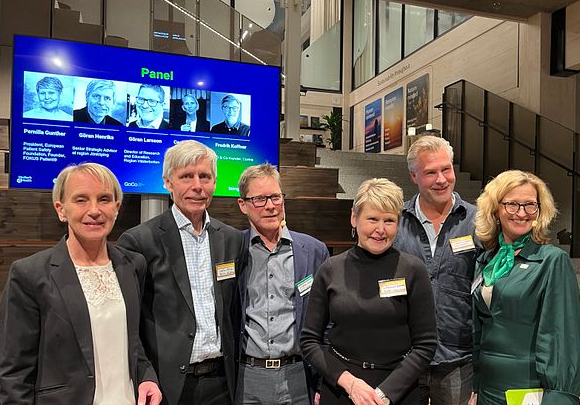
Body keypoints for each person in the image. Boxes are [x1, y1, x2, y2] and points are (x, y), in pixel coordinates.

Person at [0, 163, 161, 404]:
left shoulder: (133, 265)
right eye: (81, 200)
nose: (94, 210)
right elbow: (15, 373)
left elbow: (134, 341)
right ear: (61, 209)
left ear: (116, 208)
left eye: (104, 199)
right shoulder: (29, 274)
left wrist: (147, 377)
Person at [117, 140, 245, 404]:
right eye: (186, 176)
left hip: (223, 383)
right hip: (168, 384)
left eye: (205, 176)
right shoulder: (139, 241)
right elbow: (129, 324)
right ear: (168, 182)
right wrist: (145, 375)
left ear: (215, 182)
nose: (197, 185)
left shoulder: (232, 239)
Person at [301, 178, 437, 405]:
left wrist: (383, 394)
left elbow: (426, 344)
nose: (380, 230)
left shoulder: (413, 270)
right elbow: (309, 340)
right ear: (354, 218)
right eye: (372, 219)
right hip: (342, 390)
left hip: (399, 392)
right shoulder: (330, 269)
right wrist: (349, 383)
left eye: (389, 221)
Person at [469, 170, 580, 405]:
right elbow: (480, 331)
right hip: (488, 389)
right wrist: (476, 387)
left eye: (530, 205)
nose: (521, 213)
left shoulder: (552, 261)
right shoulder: (487, 260)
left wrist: (558, 397)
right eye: (512, 204)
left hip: (530, 391)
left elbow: (560, 338)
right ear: (495, 209)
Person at [392, 135, 478, 405]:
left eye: (446, 169)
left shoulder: (478, 222)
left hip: (458, 359)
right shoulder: (395, 222)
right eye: (431, 172)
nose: (441, 179)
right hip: (403, 355)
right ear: (414, 176)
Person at [235, 163, 329, 404]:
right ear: (243, 205)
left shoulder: (314, 251)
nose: (270, 206)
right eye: (259, 199)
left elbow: (328, 321)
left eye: (275, 197)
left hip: (298, 376)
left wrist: (323, 380)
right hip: (246, 378)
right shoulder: (231, 250)